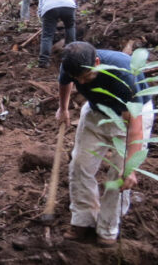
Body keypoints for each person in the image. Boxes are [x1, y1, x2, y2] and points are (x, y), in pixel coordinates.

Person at [57, 41, 154, 246]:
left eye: (86, 76)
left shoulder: (124, 77)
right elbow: (64, 82)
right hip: (95, 112)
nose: (82, 82)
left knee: (118, 175)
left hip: (131, 117)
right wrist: (63, 108)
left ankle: (108, 228)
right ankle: (83, 220)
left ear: (97, 62)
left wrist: (130, 168)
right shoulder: (71, 64)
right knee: (79, 164)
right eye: (78, 79)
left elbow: (134, 128)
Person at [37, 0, 88, 68]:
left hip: (49, 9)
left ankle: (43, 61)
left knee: (47, 35)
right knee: (70, 27)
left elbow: (39, 10)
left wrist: (44, 21)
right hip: (68, 6)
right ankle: (71, 55)